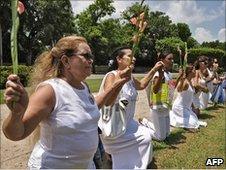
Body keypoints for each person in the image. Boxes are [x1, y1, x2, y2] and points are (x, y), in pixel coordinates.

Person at [2, 35, 131, 169]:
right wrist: (16, 114)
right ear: (66, 61)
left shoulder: (83, 86)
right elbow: (16, 134)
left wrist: (117, 83)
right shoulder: (50, 91)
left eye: (91, 56)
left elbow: (90, 108)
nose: (91, 60)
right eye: (86, 56)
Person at [98, 46, 164, 169]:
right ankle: (117, 160)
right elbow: (108, 102)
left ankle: (126, 161)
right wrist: (122, 80)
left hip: (128, 122)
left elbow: (143, 84)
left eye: (134, 56)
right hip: (113, 125)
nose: (133, 58)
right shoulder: (111, 75)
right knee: (145, 137)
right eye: (129, 56)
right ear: (119, 59)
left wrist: (154, 69)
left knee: (146, 136)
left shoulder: (131, 77)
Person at [144, 50, 174, 141]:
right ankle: (143, 126)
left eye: (172, 59)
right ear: (162, 60)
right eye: (169, 59)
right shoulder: (158, 74)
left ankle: (148, 124)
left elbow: (171, 88)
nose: (172, 61)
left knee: (167, 134)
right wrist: (161, 76)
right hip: (158, 107)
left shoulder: (169, 74)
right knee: (160, 137)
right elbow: (155, 90)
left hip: (165, 105)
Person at [170, 65, 207, 129]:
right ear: (190, 72)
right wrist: (181, 79)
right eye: (194, 70)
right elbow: (179, 89)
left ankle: (175, 117)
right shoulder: (185, 82)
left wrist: (193, 106)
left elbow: (190, 97)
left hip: (186, 107)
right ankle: (172, 119)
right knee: (193, 123)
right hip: (179, 107)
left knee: (195, 120)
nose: (195, 71)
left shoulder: (190, 81)